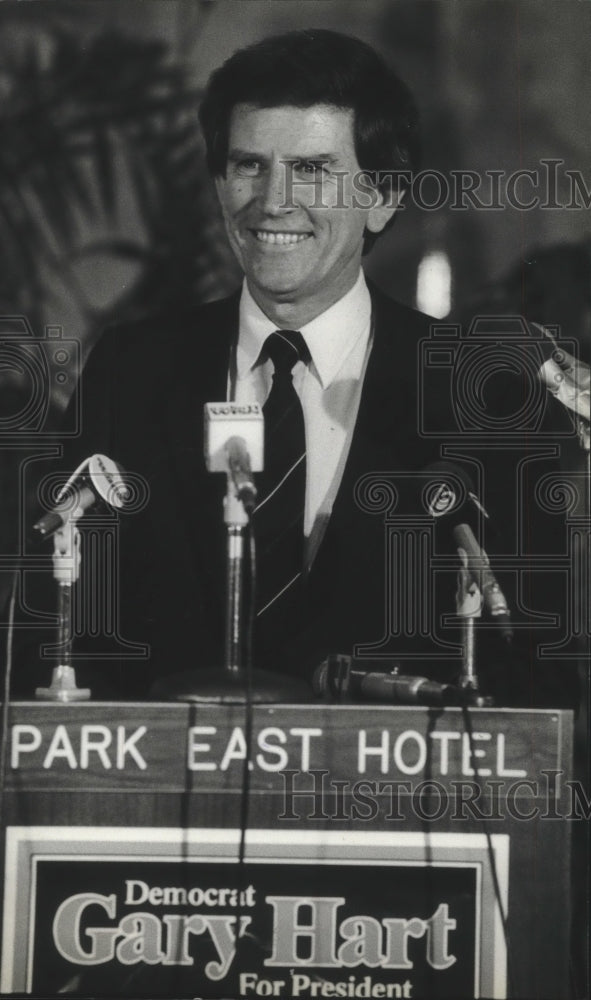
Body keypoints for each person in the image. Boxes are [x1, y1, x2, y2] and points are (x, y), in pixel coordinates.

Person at [20, 28, 577, 705]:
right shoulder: (131, 369)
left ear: (383, 195)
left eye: (312, 169)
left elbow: (535, 669)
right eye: (247, 165)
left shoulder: (481, 391)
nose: (273, 202)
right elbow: (61, 632)